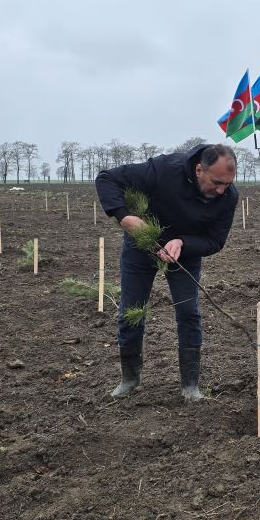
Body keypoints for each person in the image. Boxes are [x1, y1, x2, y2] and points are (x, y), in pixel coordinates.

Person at [95, 143, 239, 400]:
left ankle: (190, 386)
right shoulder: (164, 170)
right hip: (142, 246)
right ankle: (129, 379)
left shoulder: (228, 196)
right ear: (198, 169)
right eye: (217, 182)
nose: (221, 190)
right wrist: (124, 217)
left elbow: (215, 241)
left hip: (185, 253)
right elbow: (107, 178)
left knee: (189, 312)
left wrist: (183, 242)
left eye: (227, 184)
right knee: (131, 310)